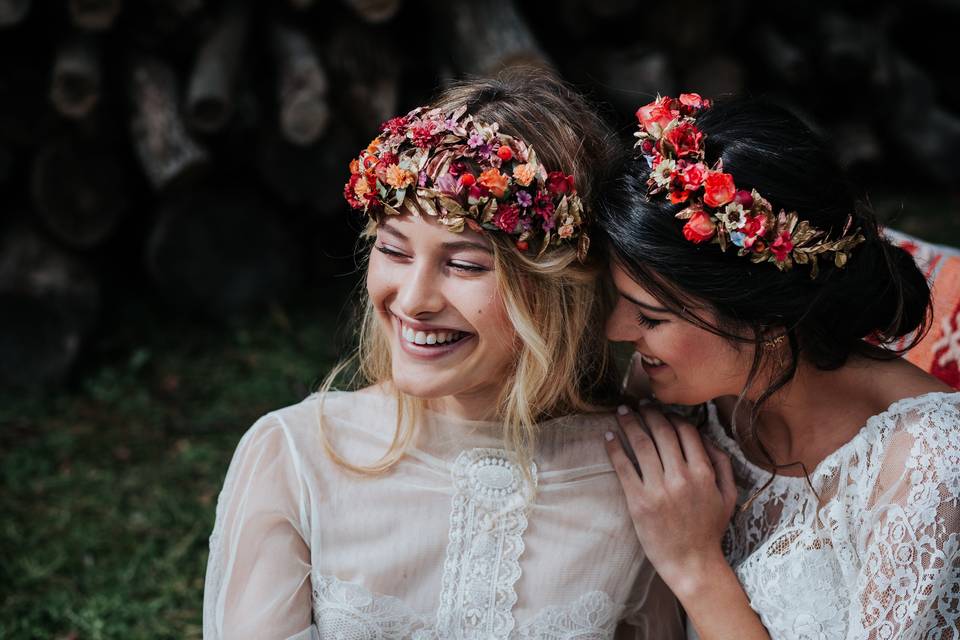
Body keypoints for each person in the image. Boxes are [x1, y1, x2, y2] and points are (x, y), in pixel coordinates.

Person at [202, 69, 684, 640]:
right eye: (393, 250)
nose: (412, 300)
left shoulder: (639, 479)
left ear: (558, 292)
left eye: (465, 264)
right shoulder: (296, 459)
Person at [597, 93, 960, 639]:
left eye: (650, 317)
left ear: (768, 320)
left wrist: (694, 566)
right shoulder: (679, 391)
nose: (615, 333)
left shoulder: (929, 464)